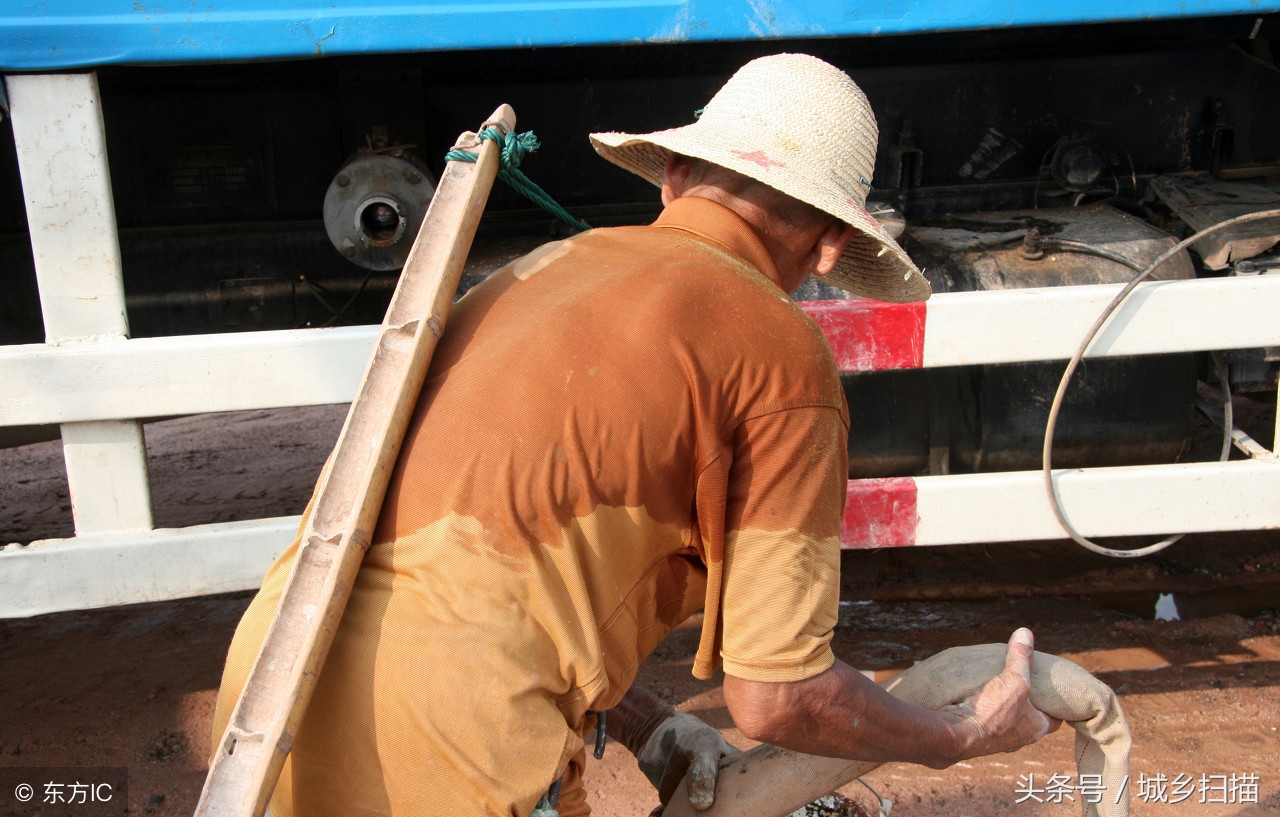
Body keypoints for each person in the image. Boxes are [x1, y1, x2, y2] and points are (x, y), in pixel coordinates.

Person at [211, 53, 1056, 817]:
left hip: (274, 695)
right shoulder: (782, 358)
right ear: (833, 243)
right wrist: (960, 734)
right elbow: (776, 696)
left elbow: (492, 585)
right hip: (459, 754)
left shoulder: (528, 275)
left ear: (673, 174)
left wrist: (653, 726)